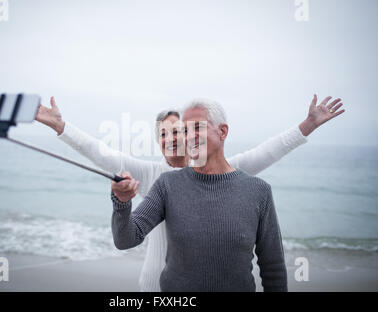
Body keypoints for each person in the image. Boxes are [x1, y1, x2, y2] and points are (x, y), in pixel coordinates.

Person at [35, 94, 345, 291]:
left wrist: (307, 125)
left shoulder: (239, 179)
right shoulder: (156, 177)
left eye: (179, 131)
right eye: (164, 135)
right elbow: (98, 152)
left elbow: (269, 151)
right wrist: (62, 128)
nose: (173, 139)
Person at [111, 99, 288, 291]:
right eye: (185, 130)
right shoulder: (167, 185)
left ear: (222, 131)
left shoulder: (258, 191)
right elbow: (126, 239)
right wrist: (122, 203)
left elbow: (273, 268)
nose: (189, 136)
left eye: (198, 127)